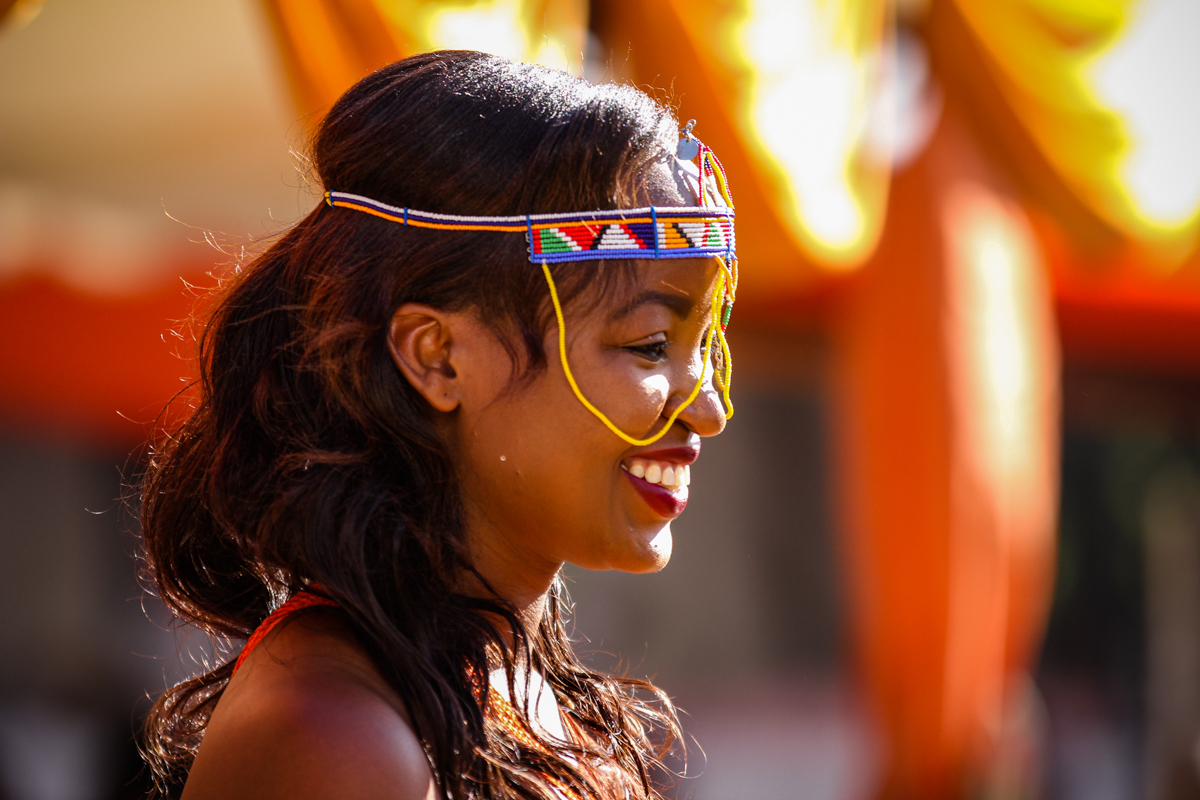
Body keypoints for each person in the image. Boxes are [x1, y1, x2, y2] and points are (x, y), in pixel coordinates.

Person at [139, 49, 738, 800]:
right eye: (651, 344)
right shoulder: (339, 737)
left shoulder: (513, 698)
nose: (707, 408)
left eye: (706, 346)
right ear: (439, 356)